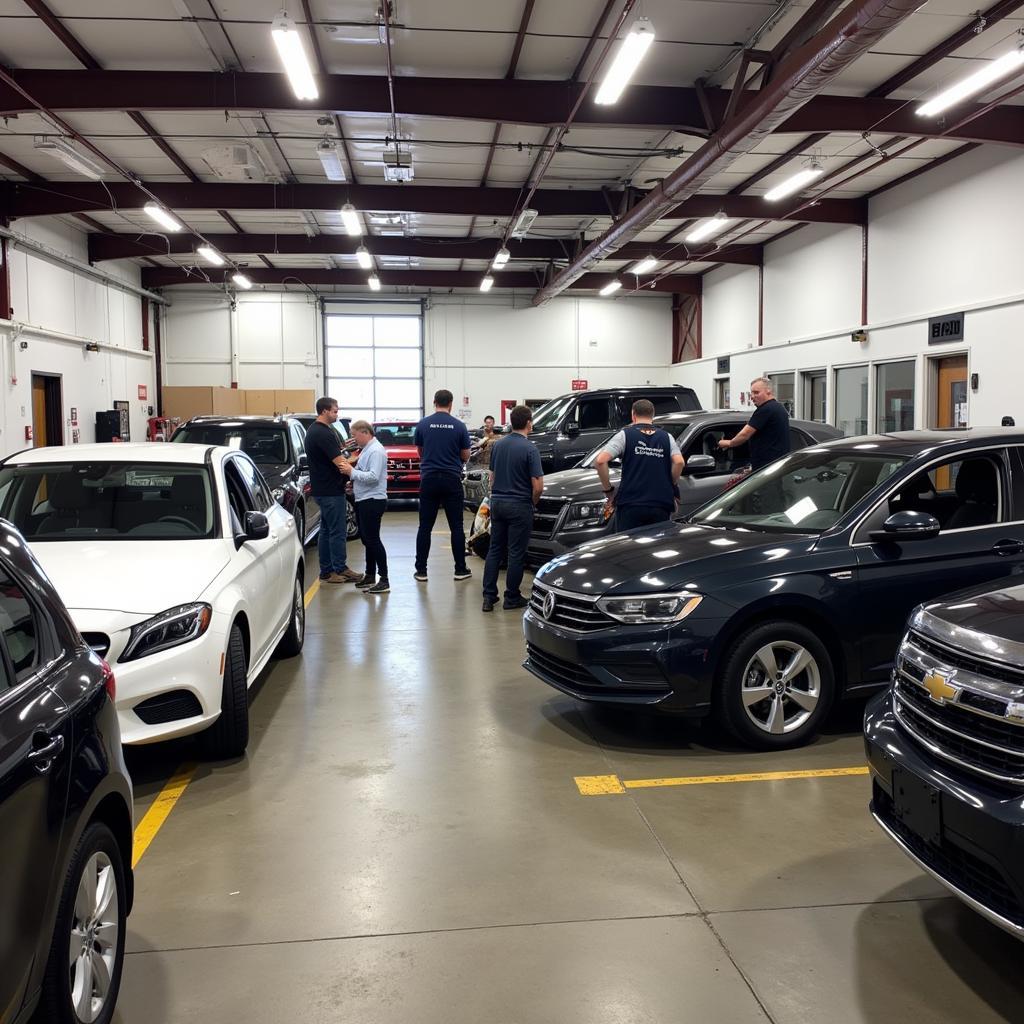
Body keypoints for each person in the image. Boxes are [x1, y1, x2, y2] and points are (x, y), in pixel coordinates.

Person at [482, 405, 543, 613]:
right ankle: (512, 597)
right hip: (519, 504)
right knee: (516, 553)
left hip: (498, 502)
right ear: (528, 423)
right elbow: (538, 485)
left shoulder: (498, 445)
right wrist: (533, 502)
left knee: (495, 549)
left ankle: (489, 597)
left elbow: (491, 477)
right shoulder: (530, 448)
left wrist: (495, 497)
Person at [595, 399, 684, 532]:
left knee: (630, 549)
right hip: (660, 503)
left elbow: (600, 461)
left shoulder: (625, 435)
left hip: (631, 504)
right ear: (652, 415)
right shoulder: (667, 437)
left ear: (633, 414)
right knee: (656, 548)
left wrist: (608, 490)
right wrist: (670, 482)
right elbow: (679, 462)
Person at [413, 389, 473, 583]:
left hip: (429, 479)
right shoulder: (459, 426)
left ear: (434, 402)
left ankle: (421, 570)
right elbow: (465, 455)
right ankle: (460, 569)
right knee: (456, 527)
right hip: (451, 479)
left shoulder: (422, 424)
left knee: (425, 527)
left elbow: (420, 452)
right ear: (451, 404)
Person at [304, 397, 361, 584]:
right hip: (330, 490)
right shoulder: (322, 433)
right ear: (324, 411)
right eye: (335, 411)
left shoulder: (315, 430)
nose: (337, 414)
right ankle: (340, 568)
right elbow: (340, 463)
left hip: (322, 488)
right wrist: (358, 459)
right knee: (337, 530)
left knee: (327, 530)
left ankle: (327, 571)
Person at [338, 421, 390, 594]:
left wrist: (351, 472)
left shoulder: (376, 451)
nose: (353, 439)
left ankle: (384, 579)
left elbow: (374, 476)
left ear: (365, 432)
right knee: (367, 540)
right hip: (364, 498)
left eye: (355, 435)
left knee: (373, 540)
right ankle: (370, 575)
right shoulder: (367, 449)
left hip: (372, 499)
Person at [718, 377, 791, 471]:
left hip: (766, 468)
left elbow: (745, 434)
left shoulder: (766, 409)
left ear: (768, 391)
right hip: (775, 467)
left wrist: (728, 443)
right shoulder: (779, 408)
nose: (752, 396)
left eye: (756, 392)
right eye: (751, 393)